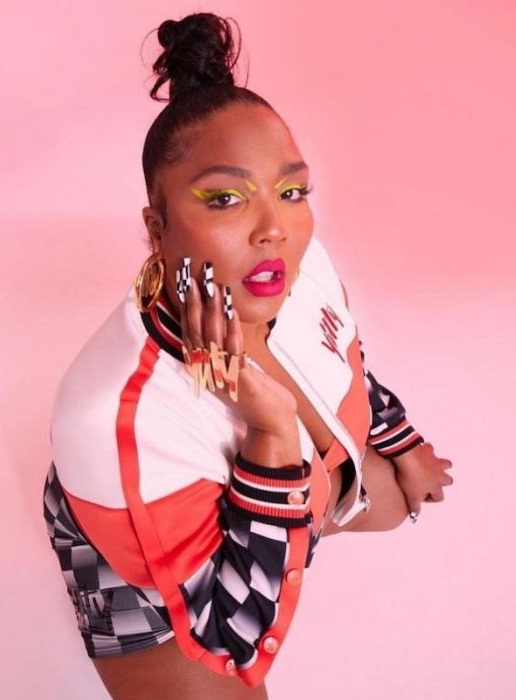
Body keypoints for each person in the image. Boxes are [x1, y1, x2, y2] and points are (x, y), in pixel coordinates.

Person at [42, 12, 453, 699]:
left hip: (243, 488)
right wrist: (269, 432)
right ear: (157, 227)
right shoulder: (116, 419)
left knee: (387, 497)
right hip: (137, 545)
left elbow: (344, 351)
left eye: (291, 191)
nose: (276, 229)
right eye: (226, 198)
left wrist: (398, 439)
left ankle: (292, 511)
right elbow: (235, 643)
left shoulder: (300, 262)